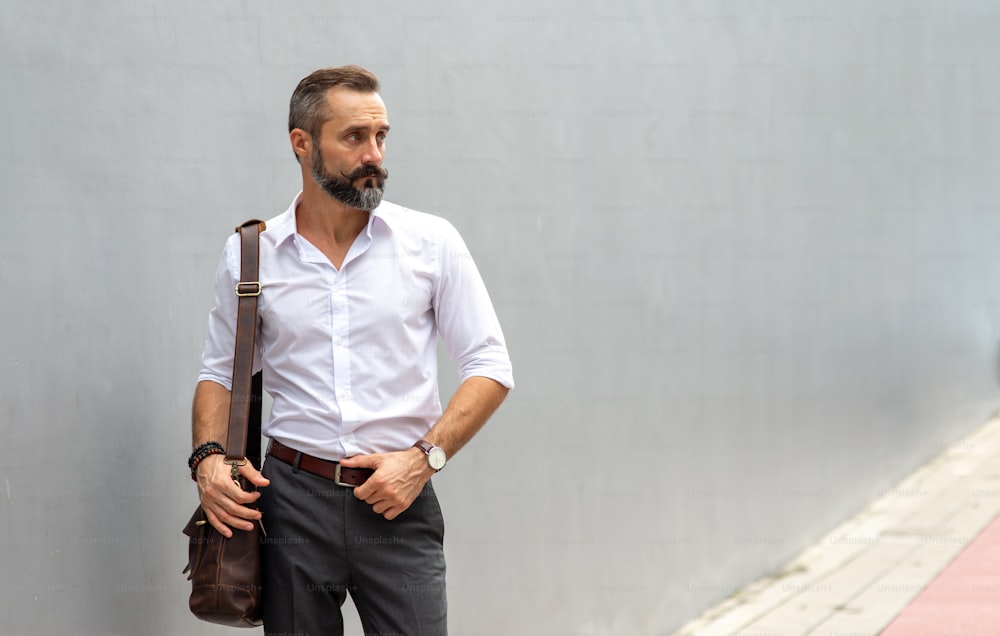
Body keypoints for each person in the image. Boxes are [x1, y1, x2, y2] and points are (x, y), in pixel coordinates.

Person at [190, 65, 514, 636]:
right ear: (302, 143)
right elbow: (219, 372)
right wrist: (208, 461)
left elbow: (490, 366)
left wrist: (424, 460)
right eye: (354, 137)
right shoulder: (251, 253)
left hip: (397, 500)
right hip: (290, 503)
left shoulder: (431, 243)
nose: (374, 154)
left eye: (381, 136)